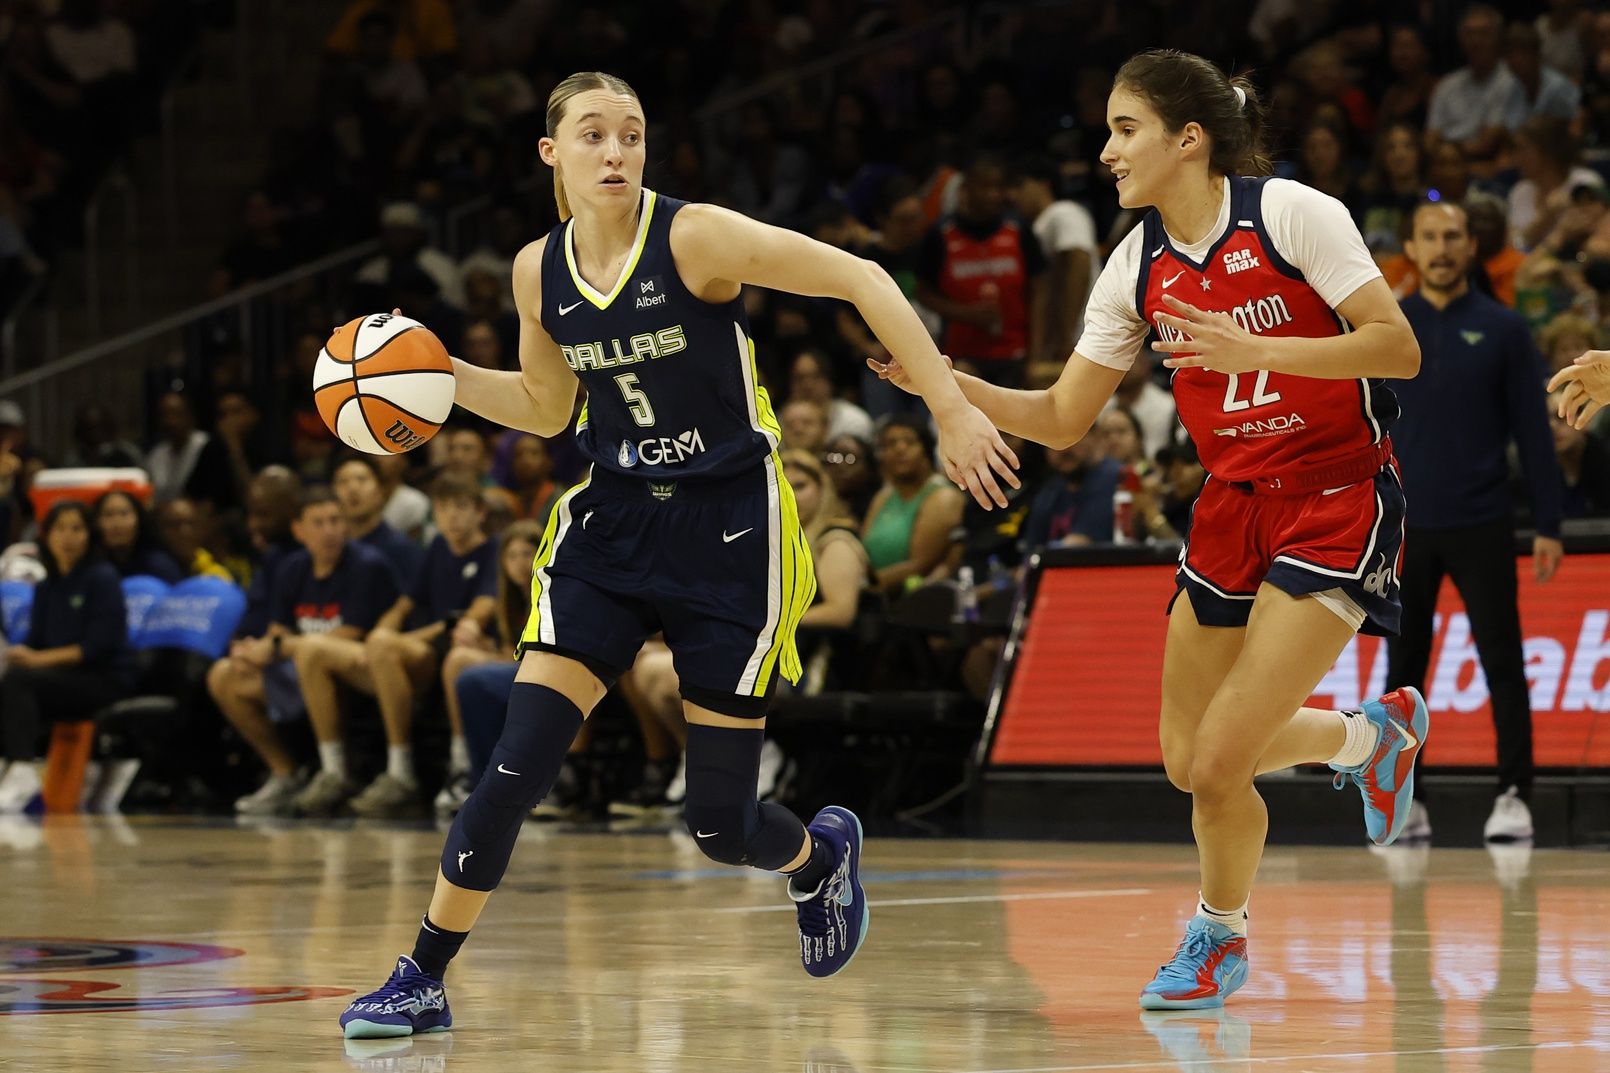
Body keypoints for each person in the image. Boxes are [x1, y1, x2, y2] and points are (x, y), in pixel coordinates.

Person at [339, 70, 1017, 1038]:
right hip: (613, 519)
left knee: (718, 824)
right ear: (552, 153)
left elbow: (862, 277)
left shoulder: (694, 238)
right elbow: (547, 405)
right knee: (514, 765)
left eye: (631, 134)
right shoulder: (538, 270)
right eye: (591, 135)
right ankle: (421, 974)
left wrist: (948, 405)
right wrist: (434, 378)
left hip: (731, 527)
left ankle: (817, 859)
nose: (614, 151)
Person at [875, 49, 1425, 1011]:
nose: (1107, 150)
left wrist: (1260, 347)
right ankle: (1365, 740)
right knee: (1186, 760)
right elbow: (1060, 417)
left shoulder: (1292, 214)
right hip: (1230, 505)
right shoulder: (1136, 264)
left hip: (1336, 496)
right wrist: (946, 384)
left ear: (1189, 138)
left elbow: (1398, 347)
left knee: (1220, 763)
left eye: (1125, 129)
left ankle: (1219, 937)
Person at [1389, 200, 1564, 845]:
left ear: (1471, 246)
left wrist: (1549, 522)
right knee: (1403, 673)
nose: (1441, 247)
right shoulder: (1390, 327)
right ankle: (1409, 802)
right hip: (1406, 527)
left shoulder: (1504, 328)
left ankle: (1515, 794)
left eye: (1452, 236)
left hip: (1484, 520)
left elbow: (1533, 432)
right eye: (1429, 236)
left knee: (1502, 661)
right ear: (1412, 244)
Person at [292, 472, 498, 818]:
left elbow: (469, 616)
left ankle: (402, 773)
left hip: (454, 650)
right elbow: (405, 603)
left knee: (386, 645)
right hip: (419, 652)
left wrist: (395, 639)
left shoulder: (492, 549)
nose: (452, 516)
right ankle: (334, 770)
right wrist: (383, 629)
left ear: (480, 512)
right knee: (312, 648)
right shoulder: (437, 548)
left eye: (461, 507)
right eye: (444, 508)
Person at [205, 487, 398, 816]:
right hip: (299, 666)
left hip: (351, 668)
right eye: (319, 522)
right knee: (224, 674)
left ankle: (334, 771)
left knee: (312, 650)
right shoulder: (293, 567)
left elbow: (350, 633)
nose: (330, 530)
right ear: (299, 531)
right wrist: (255, 651)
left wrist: (278, 647)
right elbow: (278, 627)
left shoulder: (367, 565)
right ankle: (284, 774)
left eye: (336, 521)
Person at [0, 500, 131, 810]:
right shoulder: (47, 586)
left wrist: (34, 661)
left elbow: (96, 648)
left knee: (20, 682)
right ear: (46, 536)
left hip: (103, 678)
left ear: (90, 535)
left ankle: (23, 769)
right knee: (9, 679)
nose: (68, 537)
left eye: (77, 529)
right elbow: (35, 643)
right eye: (60, 529)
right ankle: (7, 764)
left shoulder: (102, 577)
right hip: (61, 678)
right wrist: (18, 655)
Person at [436, 519, 545, 815]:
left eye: (527, 554)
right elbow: (514, 651)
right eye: (512, 556)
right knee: (469, 674)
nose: (520, 563)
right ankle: (480, 775)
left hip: (548, 675)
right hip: (525, 671)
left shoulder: (550, 593)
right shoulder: (509, 600)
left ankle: (478, 772)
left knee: (470, 677)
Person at [916, 155, 1047, 388]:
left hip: (1015, 353)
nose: (993, 195)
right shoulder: (940, 234)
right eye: (985, 186)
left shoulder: (1019, 230)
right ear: (966, 188)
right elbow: (923, 293)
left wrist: (1035, 355)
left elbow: (1039, 292)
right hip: (962, 355)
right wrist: (964, 313)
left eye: (998, 187)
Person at [862, 414, 966, 595]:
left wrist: (863, 585)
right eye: (890, 444)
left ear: (926, 449)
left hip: (914, 595)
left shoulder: (943, 496)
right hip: (873, 593)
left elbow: (919, 565)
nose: (899, 449)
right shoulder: (883, 496)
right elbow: (863, 551)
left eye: (910, 442)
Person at [332, 454, 425, 588]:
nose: (352, 489)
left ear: (382, 491)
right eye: (343, 481)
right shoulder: (328, 550)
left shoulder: (402, 550)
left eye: (362, 480)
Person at [94, 490, 182, 582]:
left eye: (124, 514)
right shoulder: (93, 566)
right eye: (108, 515)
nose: (117, 523)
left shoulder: (159, 564)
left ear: (139, 518)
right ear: (96, 522)